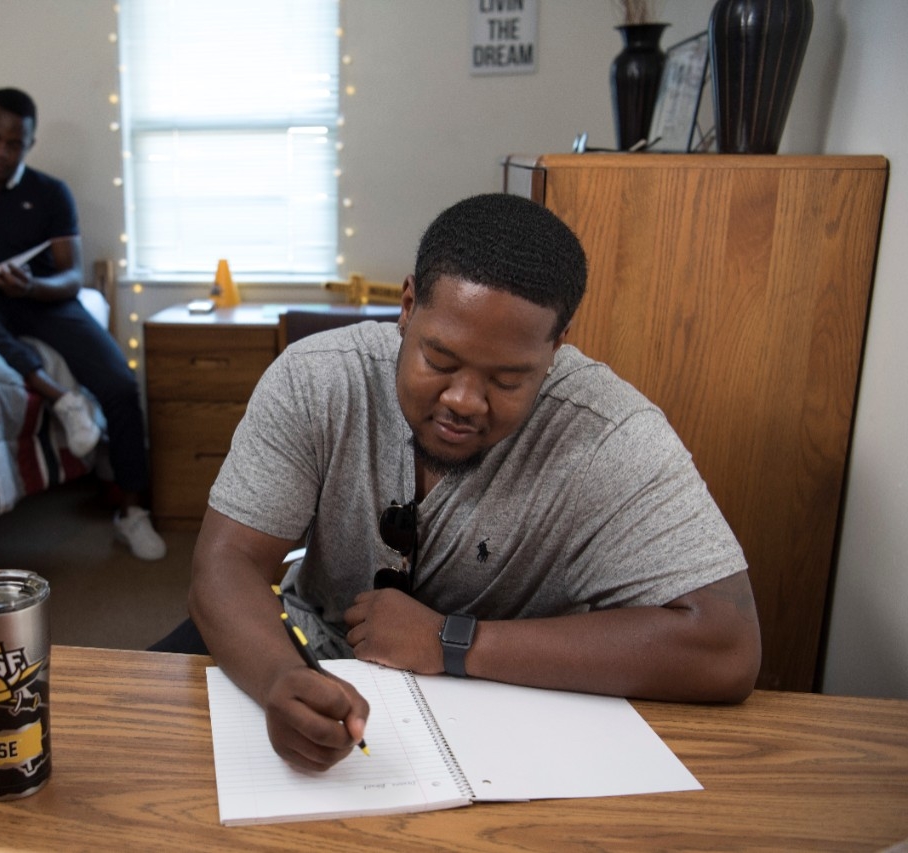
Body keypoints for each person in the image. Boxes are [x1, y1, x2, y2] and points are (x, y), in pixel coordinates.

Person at [154, 193, 761, 772]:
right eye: (439, 361)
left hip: (513, 704)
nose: (463, 401)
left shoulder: (609, 432)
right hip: (308, 648)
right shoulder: (316, 381)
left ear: (556, 347)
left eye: (507, 379)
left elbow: (727, 646)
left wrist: (454, 642)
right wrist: (278, 677)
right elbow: (225, 562)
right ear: (408, 305)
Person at [0, 87, 164, 560]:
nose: (1, 152)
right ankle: (61, 399)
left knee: (120, 384)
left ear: (29, 145)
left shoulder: (50, 193)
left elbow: (71, 276)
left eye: (14, 144)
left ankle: (133, 512)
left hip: (40, 298)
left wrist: (29, 286)